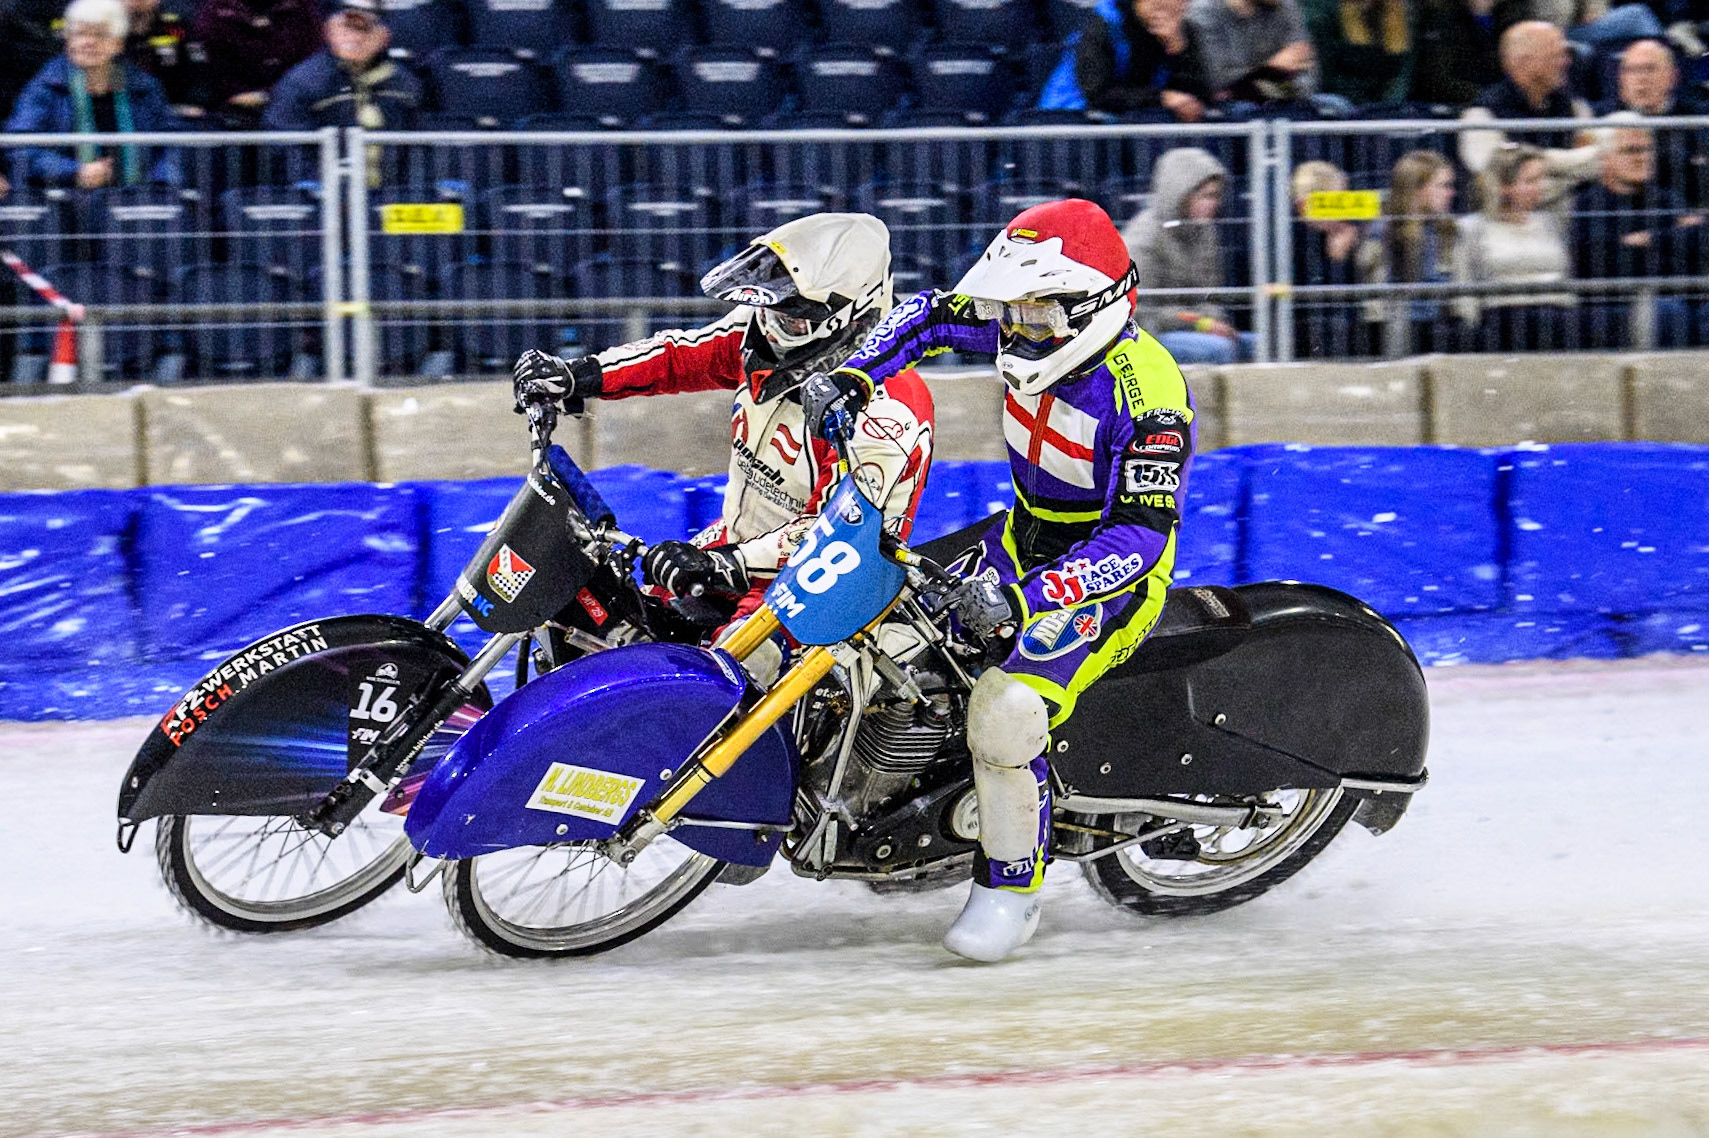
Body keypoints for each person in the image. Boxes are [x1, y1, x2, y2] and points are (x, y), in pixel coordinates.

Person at [799, 199, 1196, 963]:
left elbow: (1141, 538)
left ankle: (1010, 889)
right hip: (1021, 534)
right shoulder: (1033, 322)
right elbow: (927, 317)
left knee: (1005, 709)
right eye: (1009, 312)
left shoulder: (1149, 400)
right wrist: (853, 376)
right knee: (874, 626)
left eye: (1034, 315)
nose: (1014, 331)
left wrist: (1023, 599)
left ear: (1093, 308)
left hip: (1099, 576)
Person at [511, 213, 934, 627]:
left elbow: (834, 533)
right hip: (740, 540)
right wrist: (578, 376)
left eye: (789, 318)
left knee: (723, 680)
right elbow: (676, 356)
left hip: (821, 582)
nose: (770, 329)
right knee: (632, 616)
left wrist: (718, 564)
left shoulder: (881, 411)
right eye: (771, 312)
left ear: (848, 318)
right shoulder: (768, 336)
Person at [5, 0, 179, 189]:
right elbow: (20, 148)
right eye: (80, 33)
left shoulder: (145, 88)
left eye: (100, 35)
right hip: (66, 203)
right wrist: (74, 172)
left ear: (118, 43)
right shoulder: (45, 87)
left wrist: (159, 186)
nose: (88, 42)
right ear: (68, 40)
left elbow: (170, 147)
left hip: (136, 202)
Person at [1570, 117, 1705, 345]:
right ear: (1606, 159)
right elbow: (1603, 261)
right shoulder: (1588, 204)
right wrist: (1675, 239)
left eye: (1646, 149)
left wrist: (1649, 238)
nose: (1641, 157)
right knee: (1668, 313)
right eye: (1630, 150)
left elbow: (1701, 241)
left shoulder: (1667, 198)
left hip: (1679, 296)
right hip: (1619, 305)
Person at [1121, 146, 1257, 364]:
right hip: (1148, 332)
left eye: (1216, 196)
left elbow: (1210, 296)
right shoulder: (1143, 236)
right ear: (1181, 195)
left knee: (1258, 345)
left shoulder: (1205, 232)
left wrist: (1210, 320)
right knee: (1219, 350)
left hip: (1192, 326)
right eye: (1206, 196)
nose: (1214, 204)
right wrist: (1199, 323)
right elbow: (1140, 308)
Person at [1459, 21, 1602, 203]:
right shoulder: (1481, 115)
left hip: (1569, 220)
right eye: (1554, 56)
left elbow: (1599, 160)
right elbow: (1499, 184)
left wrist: (1535, 167)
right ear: (1522, 61)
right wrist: (1571, 175)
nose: (1566, 62)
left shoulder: (1572, 105)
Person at [1454, 142, 1576, 348]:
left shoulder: (1551, 221)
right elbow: (1464, 287)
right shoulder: (1472, 227)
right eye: (1531, 181)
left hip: (1557, 315)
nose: (1541, 187)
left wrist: (1551, 159)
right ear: (1504, 187)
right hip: (1504, 317)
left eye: (1542, 179)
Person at [1357, 149, 1464, 352]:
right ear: (1417, 189)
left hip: (1442, 327)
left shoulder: (1448, 229)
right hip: (1395, 330)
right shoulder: (1382, 231)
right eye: (1443, 186)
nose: (1451, 193)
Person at [1035, 0, 1212, 122]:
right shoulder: (1104, 26)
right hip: (1073, 120)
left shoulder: (1182, 32)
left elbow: (1199, 96)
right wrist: (1161, 98)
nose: (1167, 10)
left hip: (1140, 126)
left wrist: (1179, 50)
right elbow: (1098, 94)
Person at [264, 0, 422, 132]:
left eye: (363, 29)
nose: (354, 39)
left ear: (383, 36)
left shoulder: (405, 84)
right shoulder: (302, 83)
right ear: (328, 30)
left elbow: (419, 151)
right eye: (346, 28)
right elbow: (288, 153)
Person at [191, 0, 319, 128]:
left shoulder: (302, 9)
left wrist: (273, 94)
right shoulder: (215, 13)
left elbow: (312, 62)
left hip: (292, 104)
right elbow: (210, 70)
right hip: (228, 110)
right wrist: (235, 97)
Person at [1187, 0, 1331, 112]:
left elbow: (1309, 80)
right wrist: (1273, 69)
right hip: (1227, 109)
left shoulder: (1286, 6)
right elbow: (1218, 81)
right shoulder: (1205, 11)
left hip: (1283, 100)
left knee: (1336, 106)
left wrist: (1260, 87)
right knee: (1246, 112)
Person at [1290, 159, 1369, 356]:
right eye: (1333, 202)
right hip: (1303, 330)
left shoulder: (1340, 231)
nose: (1343, 210)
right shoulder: (1293, 238)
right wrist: (1336, 261)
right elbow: (1313, 302)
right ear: (1303, 205)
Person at [1301, 0, 1414, 107]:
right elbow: (1327, 74)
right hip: (1339, 107)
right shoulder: (1323, 13)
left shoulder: (1400, 12)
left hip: (1390, 111)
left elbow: (1402, 78)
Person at [1409, 0, 1503, 106]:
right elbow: (1435, 80)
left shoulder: (1509, 16)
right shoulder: (1441, 19)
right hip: (1444, 107)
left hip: (1495, 102)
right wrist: (1486, 96)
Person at [122, 0, 205, 117]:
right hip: (124, 109)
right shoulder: (106, 30)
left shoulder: (177, 24)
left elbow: (200, 72)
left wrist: (192, 103)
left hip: (178, 110)